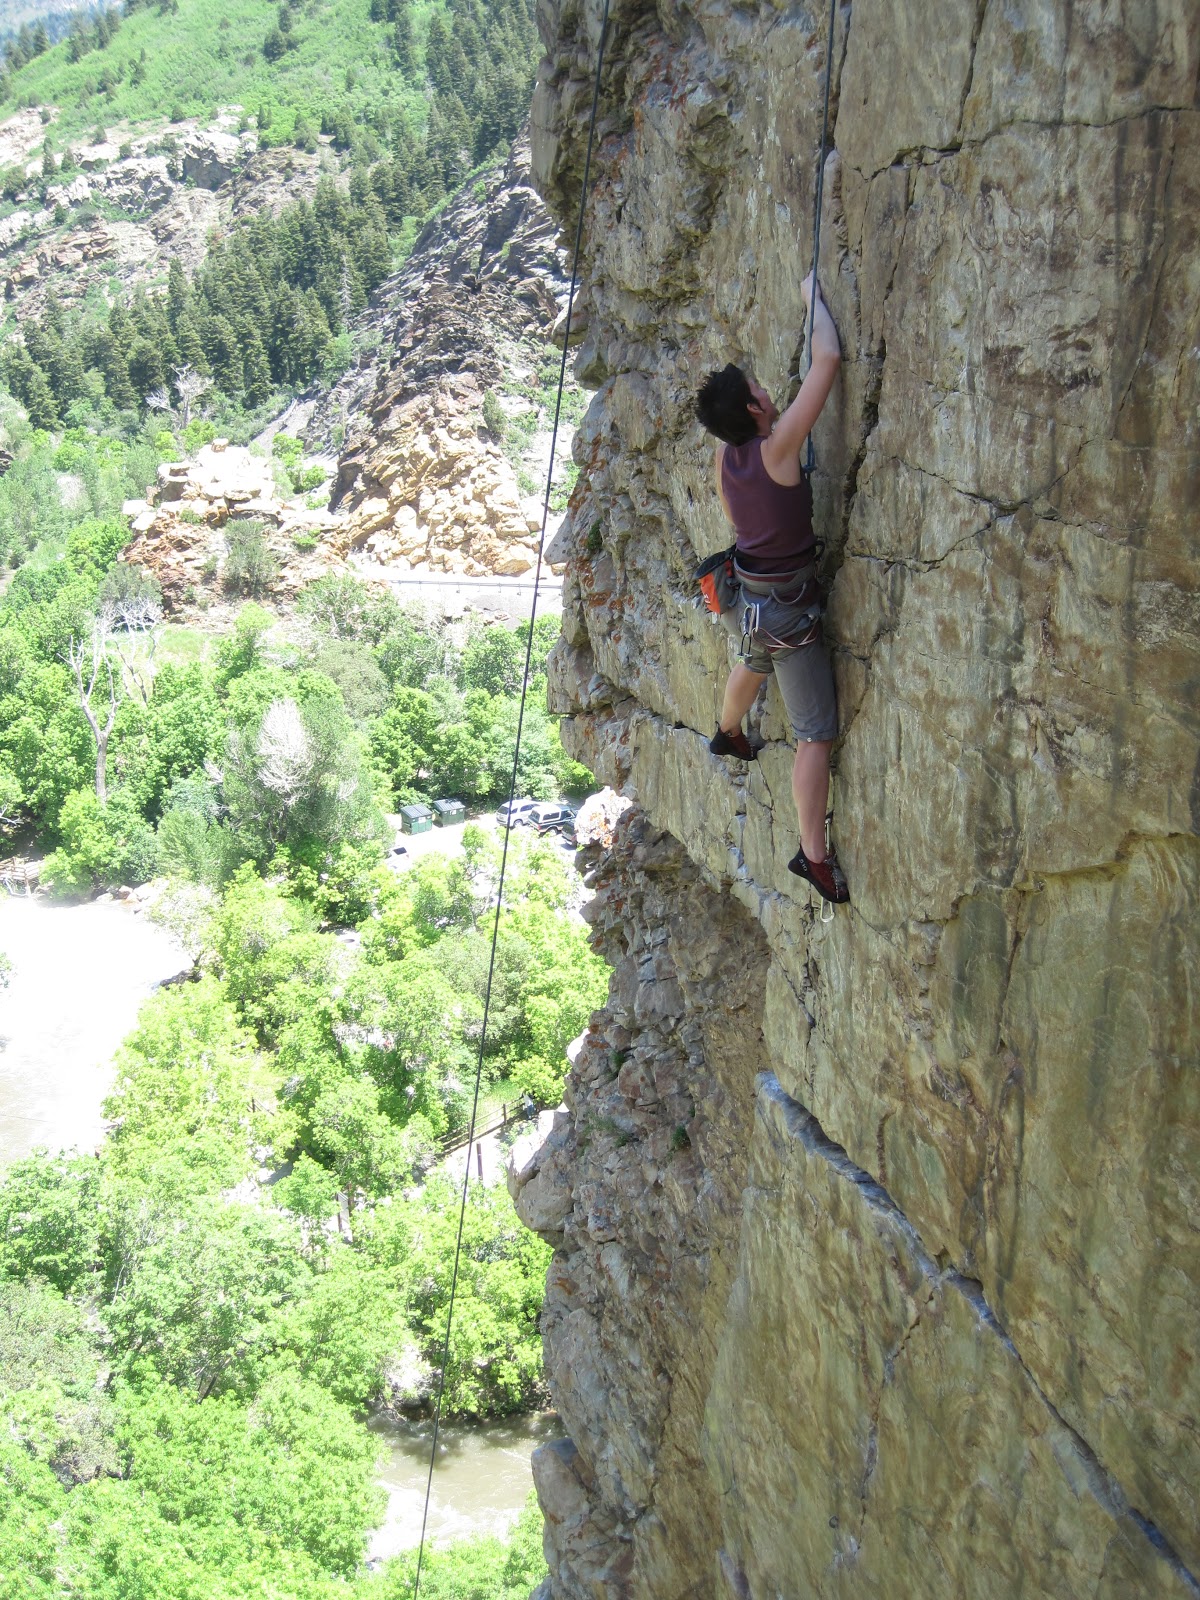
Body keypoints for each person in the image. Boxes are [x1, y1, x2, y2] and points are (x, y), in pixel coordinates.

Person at [693, 273, 849, 904]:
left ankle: (728, 730)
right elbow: (827, 359)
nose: (766, 391)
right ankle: (813, 857)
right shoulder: (778, 449)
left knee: (753, 657)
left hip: (748, 598)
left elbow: (741, 510)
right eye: (759, 390)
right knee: (815, 734)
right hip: (785, 609)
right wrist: (812, 297)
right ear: (755, 411)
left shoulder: (726, 457)